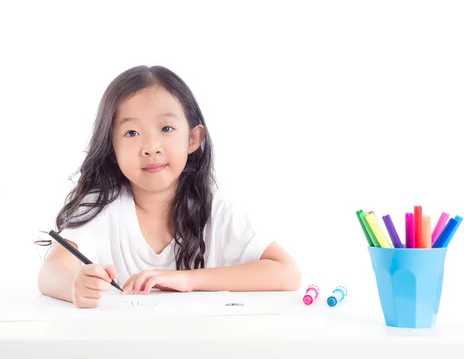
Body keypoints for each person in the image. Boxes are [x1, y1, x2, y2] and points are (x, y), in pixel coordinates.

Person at [37, 65, 301, 308]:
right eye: (131, 133)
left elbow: (287, 272)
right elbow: (51, 272)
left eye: (166, 128)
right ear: (112, 148)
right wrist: (74, 285)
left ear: (193, 138)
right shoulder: (103, 208)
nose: (151, 147)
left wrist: (189, 280)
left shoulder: (217, 213)